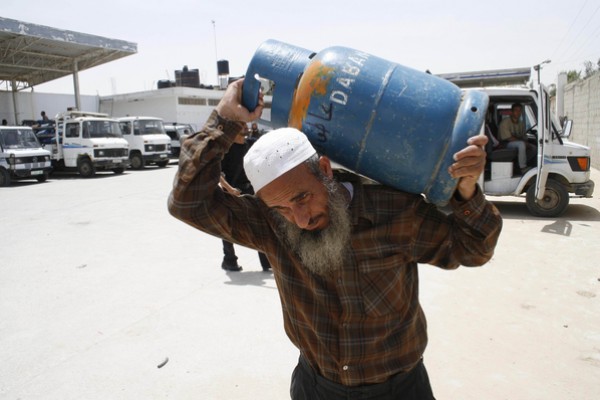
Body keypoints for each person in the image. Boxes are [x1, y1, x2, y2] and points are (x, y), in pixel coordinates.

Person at [168, 79, 502, 399]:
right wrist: (224, 121)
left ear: (325, 171)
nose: (300, 219)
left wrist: (466, 190)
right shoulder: (269, 225)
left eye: (302, 197)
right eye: (281, 208)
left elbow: (475, 250)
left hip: (399, 389)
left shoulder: (395, 211)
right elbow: (187, 203)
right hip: (316, 388)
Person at [219, 126, 271, 272]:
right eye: (242, 125)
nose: (246, 127)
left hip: (250, 190)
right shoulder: (227, 149)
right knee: (229, 227)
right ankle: (229, 260)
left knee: (260, 225)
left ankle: (266, 262)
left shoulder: (251, 144)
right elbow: (217, 173)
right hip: (233, 192)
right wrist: (230, 189)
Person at [498, 103, 536, 174]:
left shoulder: (521, 123)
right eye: (516, 110)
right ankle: (523, 167)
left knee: (534, 148)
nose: (518, 112)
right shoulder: (505, 122)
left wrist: (527, 142)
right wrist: (524, 142)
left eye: (520, 110)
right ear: (511, 112)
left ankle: (518, 164)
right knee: (521, 144)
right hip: (505, 144)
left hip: (517, 142)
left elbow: (523, 136)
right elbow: (508, 138)